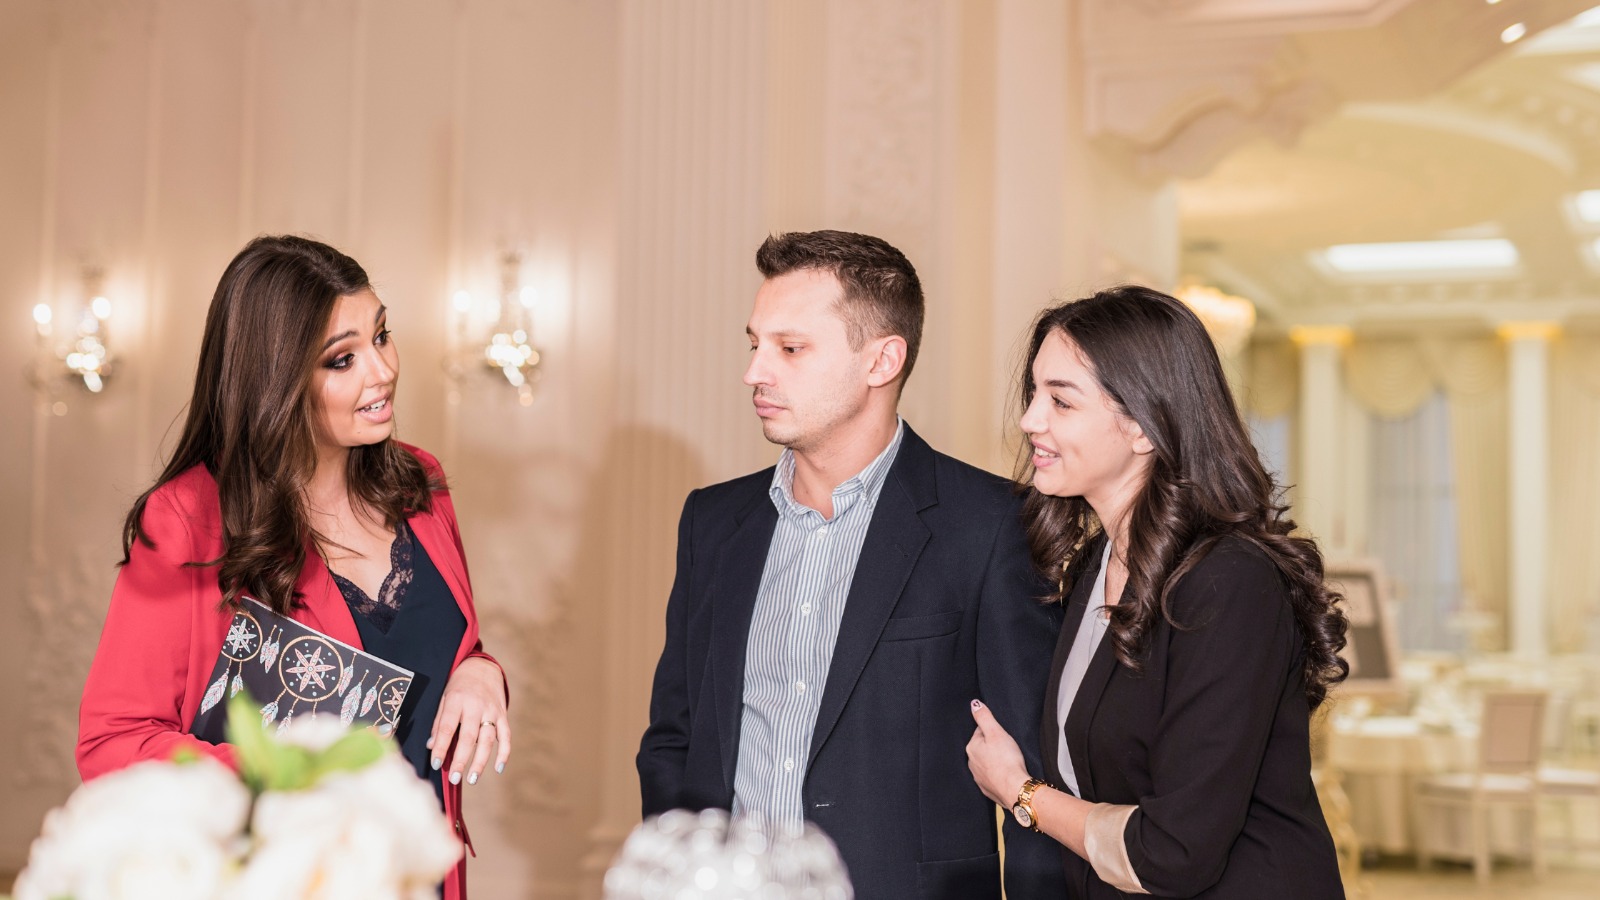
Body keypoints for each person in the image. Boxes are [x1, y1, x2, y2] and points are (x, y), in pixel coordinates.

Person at [77, 235, 509, 900]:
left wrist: (481, 672)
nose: (382, 370)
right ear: (275, 379)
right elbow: (113, 743)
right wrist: (288, 783)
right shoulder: (188, 518)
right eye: (343, 359)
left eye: (382, 335)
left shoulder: (421, 483)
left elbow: (437, 650)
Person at [637, 230, 1066, 899]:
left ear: (882, 361)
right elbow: (675, 737)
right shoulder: (712, 523)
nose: (755, 372)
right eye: (755, 344)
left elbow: (1032, 776)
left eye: (790, 348)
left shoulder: (990, 526)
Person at [964, 285, 1348, 898]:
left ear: (1143, 426)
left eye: (1060, 400)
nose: (1030, 419)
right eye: (1034, 394)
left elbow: (1173, 852)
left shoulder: (1231, 581)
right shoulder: (1095, 565)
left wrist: (1020, 792)